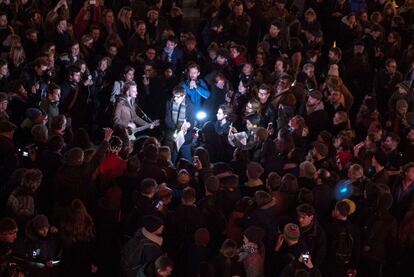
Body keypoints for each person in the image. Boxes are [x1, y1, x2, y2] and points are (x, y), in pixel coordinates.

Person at [164, 86, 195, 162]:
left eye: (177, 97)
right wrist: (178, 128)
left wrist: (188, 125)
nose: (175, 99)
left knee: (187, 160)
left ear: (183, 96)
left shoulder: (191, 106)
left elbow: (192, 122)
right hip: (173, 137)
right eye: (174, 96)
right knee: (171, 159)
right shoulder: (169, 103)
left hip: (185, 138)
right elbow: (167, 120)